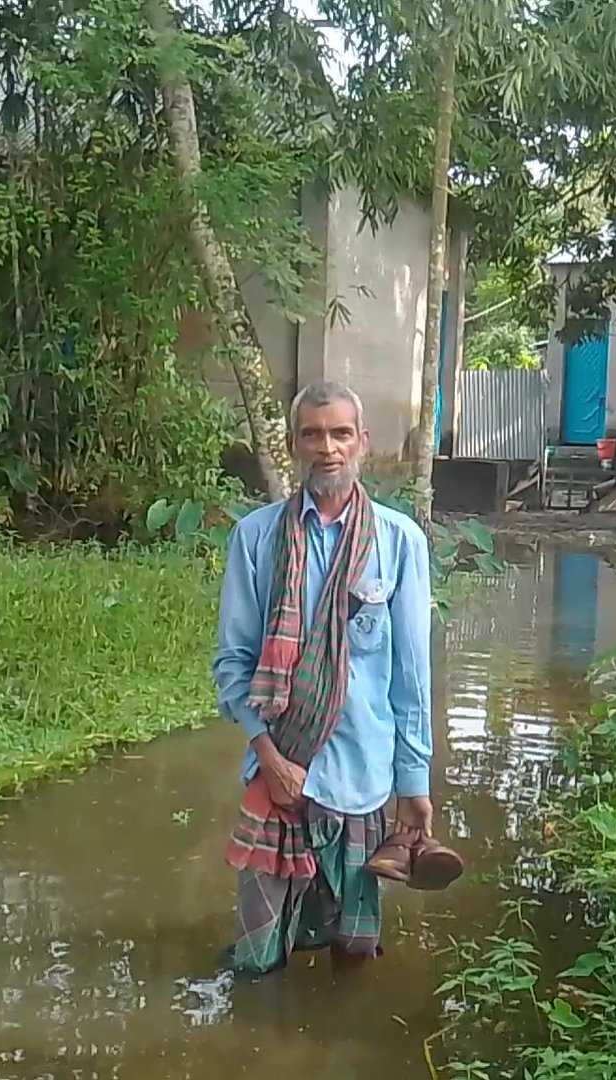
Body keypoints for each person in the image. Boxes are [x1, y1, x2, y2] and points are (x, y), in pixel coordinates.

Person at [212, 380, 459, 977]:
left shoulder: (399, 541)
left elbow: (410, 678)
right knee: (257, 957)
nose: (328, 447)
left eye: (340, 433)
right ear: (295, 446)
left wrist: (414, 781)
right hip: (279, 775)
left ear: (362, 443)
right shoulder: (257, 537)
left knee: (355, 953)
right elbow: (233, 663)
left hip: (364, 780)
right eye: (313, 434)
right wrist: (268, 756)